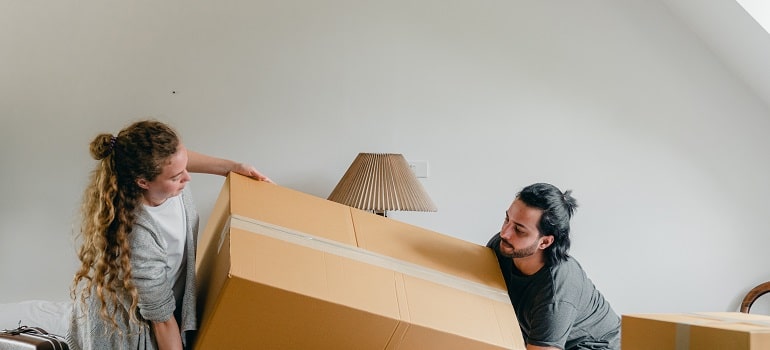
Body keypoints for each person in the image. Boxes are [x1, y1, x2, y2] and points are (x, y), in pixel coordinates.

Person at [67, 120, 272, 350]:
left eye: (185, 167)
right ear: (143, 182)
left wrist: (232, 167)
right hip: (127, 330)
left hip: (163, 304)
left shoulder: (169, 181)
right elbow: (162, 321)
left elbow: (177, 159)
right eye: (176, 176)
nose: (188, 178)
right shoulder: (137, 237)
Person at [486, 183, 620, 350]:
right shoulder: (503, 246)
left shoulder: (555, 292)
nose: (504, 233)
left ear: (545, 242)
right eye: (507, 219)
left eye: (519, 230)